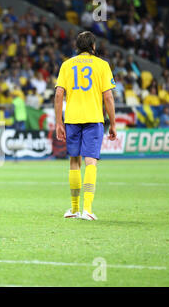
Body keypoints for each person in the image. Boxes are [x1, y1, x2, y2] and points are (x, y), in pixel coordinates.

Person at [54, 31, 117, 221]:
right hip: (93, 118)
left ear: (77, 46)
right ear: (93, 47)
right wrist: (113, 123)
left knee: (74, 161)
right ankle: (87, 209)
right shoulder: (102, 65)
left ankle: (74, 209)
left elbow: (58, 95)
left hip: (72, 119)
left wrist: (59, 122)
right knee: (91, 161)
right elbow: (108, 96)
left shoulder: (67, 65)